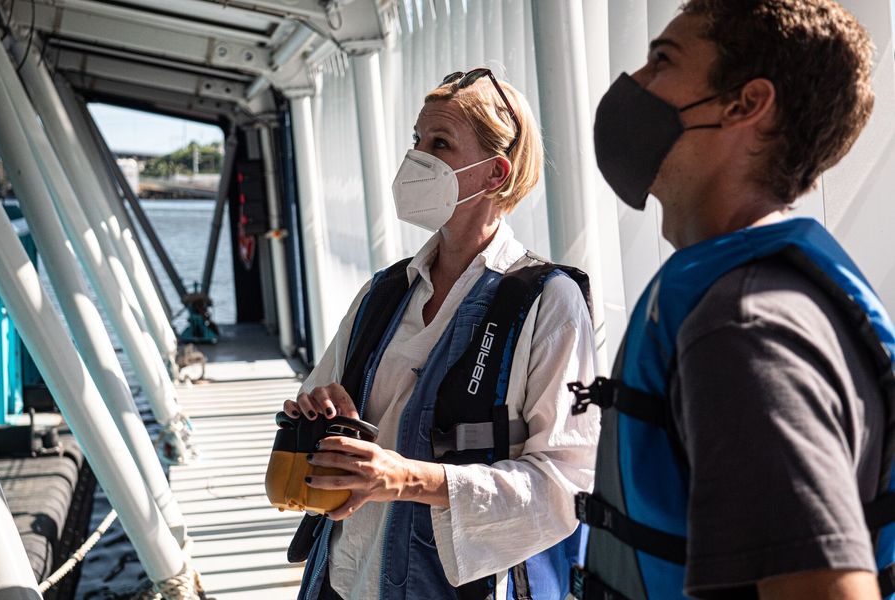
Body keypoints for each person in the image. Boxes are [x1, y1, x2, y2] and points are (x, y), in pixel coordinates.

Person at [571, 1, 895, 599]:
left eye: (660, 61)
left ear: (745, 104)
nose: (633, 84)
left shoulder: (746, 327)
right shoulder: (750, 298)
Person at [285, 68, 599, 600]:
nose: (416, 159)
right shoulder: (383, 292)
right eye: (417, 140)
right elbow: (315, 400)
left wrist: (410, 480)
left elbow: (566, 484)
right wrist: (320, 411)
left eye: (440, 143)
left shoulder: (548, 303)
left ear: (494, 174)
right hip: (345, 578)